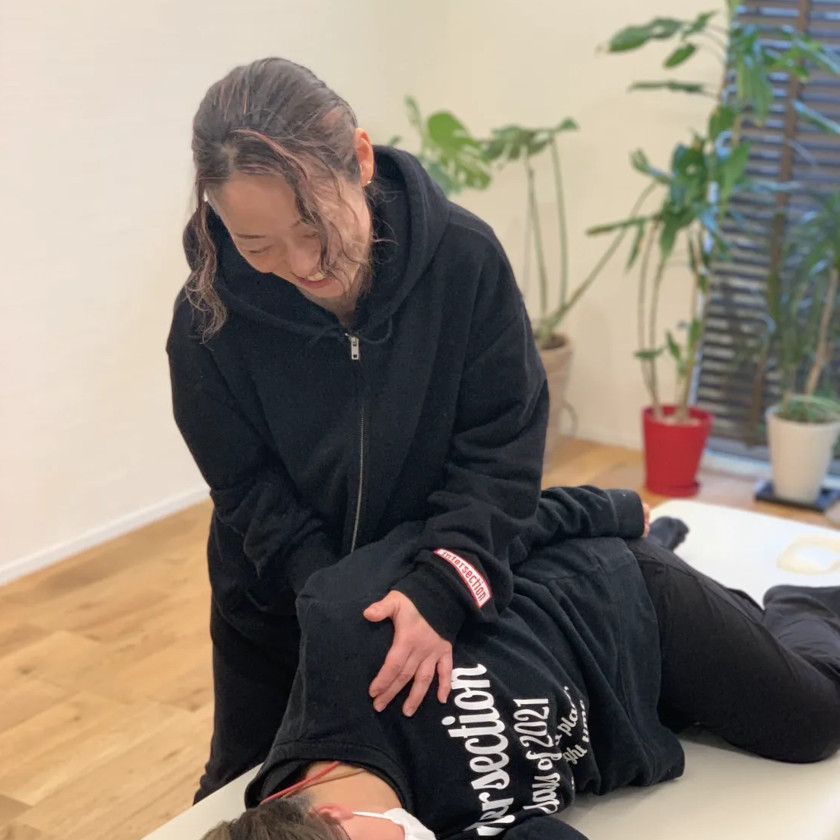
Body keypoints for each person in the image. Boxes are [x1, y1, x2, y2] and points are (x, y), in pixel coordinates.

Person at [168, 57, 650, 800]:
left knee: (423, 791)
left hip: (431, 588)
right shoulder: (209, 315)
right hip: (276, 601)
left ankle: (607, 517)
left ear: (360, 160)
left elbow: (500, 453)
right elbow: (244, 487)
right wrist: (334, 608)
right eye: (256, 245)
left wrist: (439, 589)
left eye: (314, 226)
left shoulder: (464, 261)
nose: (301, 265)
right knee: (242, 790)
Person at [199, 497, 840, 840]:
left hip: (625, 602)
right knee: (745, 647)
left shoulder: (346, 634)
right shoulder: (409, 829)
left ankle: (799, 603)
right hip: (631, 711)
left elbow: (488, 531)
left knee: (815, 721)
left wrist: (611, 510)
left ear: (334, 817)